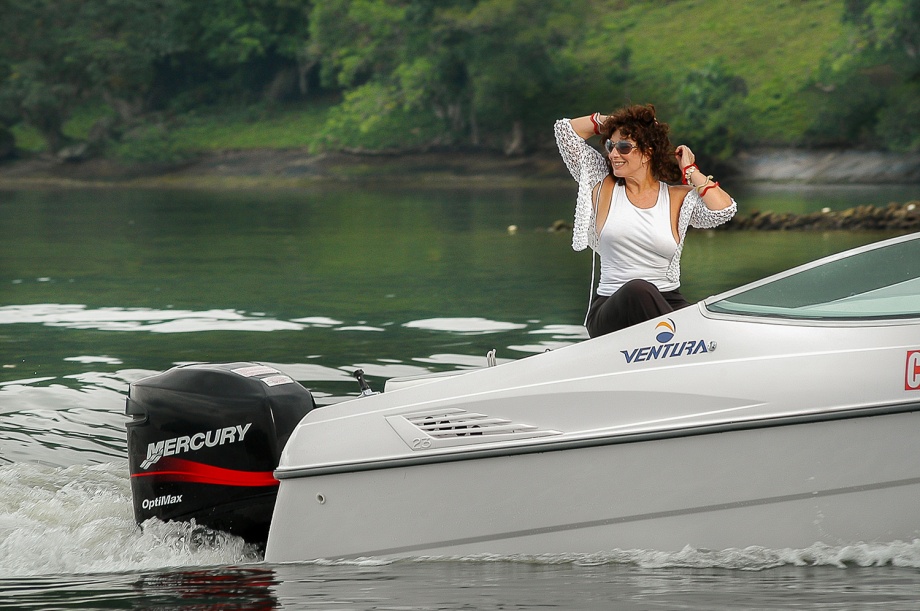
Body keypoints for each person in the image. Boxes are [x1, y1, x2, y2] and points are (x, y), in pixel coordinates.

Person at [554, 104, 737, 338]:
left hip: (668, 302)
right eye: (611, 146)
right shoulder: (602, 184)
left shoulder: (676, 197)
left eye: (624, 147)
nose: (613, 154)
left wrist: (690, 170)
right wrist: (614, 123)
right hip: (612, 307)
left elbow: (724, 209)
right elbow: (566, 131)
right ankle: (681, 342)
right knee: (639, 289)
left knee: (712, 316)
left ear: (648, 152)